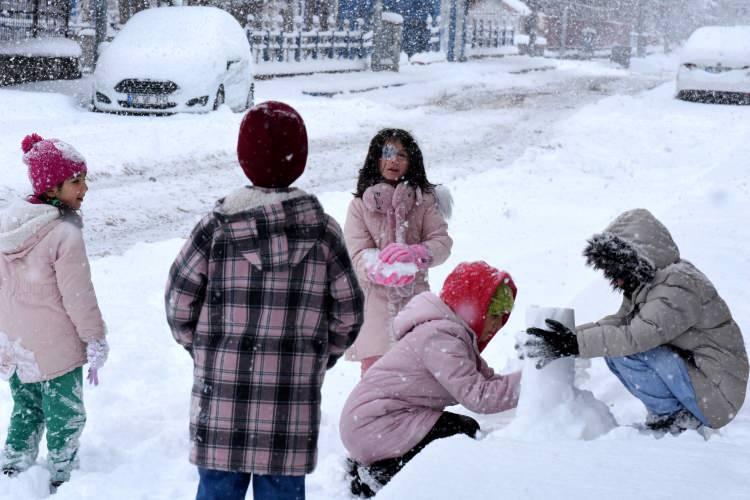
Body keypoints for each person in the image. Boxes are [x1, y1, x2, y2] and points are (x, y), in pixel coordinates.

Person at [164, 101, 364, 500]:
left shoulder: (215, 230)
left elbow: (178, 302)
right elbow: (349, 313)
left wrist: (207, 349)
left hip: (222, 399)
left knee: (218, 490)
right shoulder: (323, 234)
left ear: (244, 158)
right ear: (299, 160)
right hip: (289, 404)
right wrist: (315, 355)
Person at [518, 208, 748, 434]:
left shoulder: (678, 285)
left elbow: (635, 336)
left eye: (618, 271)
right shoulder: (652, 283)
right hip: (705, 382)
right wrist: (569, 337)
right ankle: (671, 413)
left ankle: (674, 417)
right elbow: (620, 323)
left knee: (624, 350)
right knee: (614, 347)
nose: (617, 282)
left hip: (717, 394)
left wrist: (574, 343)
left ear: (635, 260)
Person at [340, 261, 520, 497]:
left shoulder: (452, 336)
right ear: (473, 306)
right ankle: (383, 476)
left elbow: (489, 382)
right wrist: (533, 381)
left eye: (502, 317)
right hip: (374, 425)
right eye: (494, 314)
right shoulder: (440, 337)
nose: (497, 324)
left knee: (457, 431)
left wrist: (536, 376)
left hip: (376, 422)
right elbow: (481, 397)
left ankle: (385, 469)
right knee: (459, 433)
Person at [0, 134, 108, 493]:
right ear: (52, 187)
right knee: (65, 414)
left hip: (20, 348)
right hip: (58, 349)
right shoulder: (64, 233)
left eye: (84, 178)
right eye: (76, 181)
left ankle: (13, 468)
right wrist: (94, 338)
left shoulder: (8, 226)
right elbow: (78, 296)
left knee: (26, 408)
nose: (85, 188)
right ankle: (63, 474)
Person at [344, 128, 452, 376]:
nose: (394, 160)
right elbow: (357, 251)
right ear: (376, 159)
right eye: (388, 153)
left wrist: (417, 254)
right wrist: (377, 268)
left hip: (416, 302)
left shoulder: (423, 202)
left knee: (417, 371)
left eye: (402, 155)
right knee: (375, 377)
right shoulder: (360, 206)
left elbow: (442, 242)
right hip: (375, 307)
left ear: (412, 162)